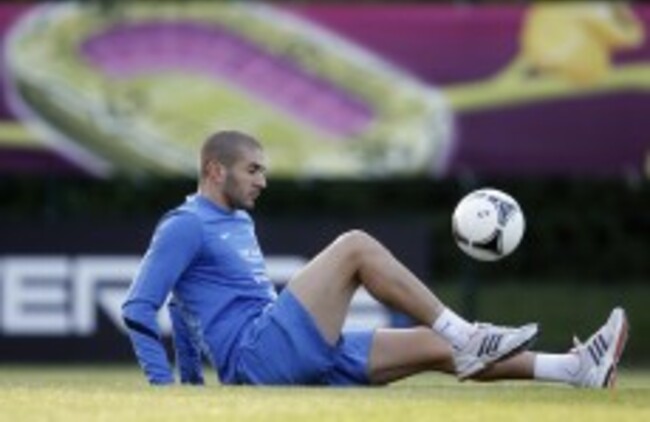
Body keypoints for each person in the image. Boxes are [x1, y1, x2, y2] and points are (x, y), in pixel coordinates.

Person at [121, 130, 628, 388]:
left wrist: (193, 387)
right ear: (215, 170)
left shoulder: (237, 221)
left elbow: (185, 309)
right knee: (356, 247)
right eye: (253, 170)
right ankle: (469, 335)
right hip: (259, 355)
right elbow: (139, 306)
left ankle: (575, 369)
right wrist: (166, 392)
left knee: (433, 344)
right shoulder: (185, 224)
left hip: (277, 349)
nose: (263, 180)